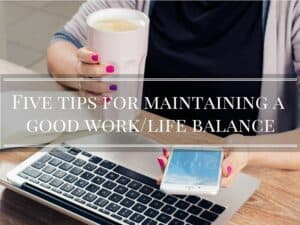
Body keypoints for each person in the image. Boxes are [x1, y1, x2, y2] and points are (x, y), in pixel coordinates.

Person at [47, 0, 300, 188]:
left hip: (241, 184)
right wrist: (82, 73)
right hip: (132, 167)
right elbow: (62, 44)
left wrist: (246, 150)